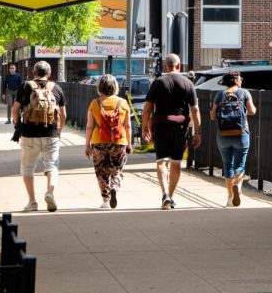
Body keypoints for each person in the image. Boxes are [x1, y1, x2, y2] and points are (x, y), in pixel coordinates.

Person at [141, 53, 201, 210]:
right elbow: (195, 110)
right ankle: (172, 196)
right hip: (180, 127)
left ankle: (165, 195)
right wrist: (197, 132)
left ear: (166, 67)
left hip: (160, 125)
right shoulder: (188, 83)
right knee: (175, 163)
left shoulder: (158, 83)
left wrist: (145, 128)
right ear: (179, 66)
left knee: (161, 161)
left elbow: (147, 108)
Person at [10, 61, 66, 212]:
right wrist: (59, 131)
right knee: (52, 165)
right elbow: (63, 114)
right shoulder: (57, 88)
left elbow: (15, 110)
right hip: (51, 133)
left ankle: (32, 201)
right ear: (49, 73)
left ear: (33, 72)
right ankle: (50, 192)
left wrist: (19, 127)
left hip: (29, 133)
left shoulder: (25, 86)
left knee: (28, 168)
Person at [209, 70, 257, 207]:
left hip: (223, 135)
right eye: (240, 78)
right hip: (241, 134)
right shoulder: (244, 93)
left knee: (227, 165)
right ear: (236, 80)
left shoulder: (220, 95)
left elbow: (212, 117)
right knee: (240, 164)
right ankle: (239, 188)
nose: (241, 80)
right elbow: (252, 111)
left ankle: (230, 197)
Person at [83, 74, 131, 209]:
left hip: (98, 142)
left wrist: (87, 145)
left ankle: (105, 199)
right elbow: (127, 126)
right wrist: (128, 143)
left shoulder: (95, 103)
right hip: (118, 141)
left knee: (101, 171)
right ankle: (115, 186)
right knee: (117, 169)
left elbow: (89, 126)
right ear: (115, 87)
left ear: (99, 87)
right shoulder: (122, 103)